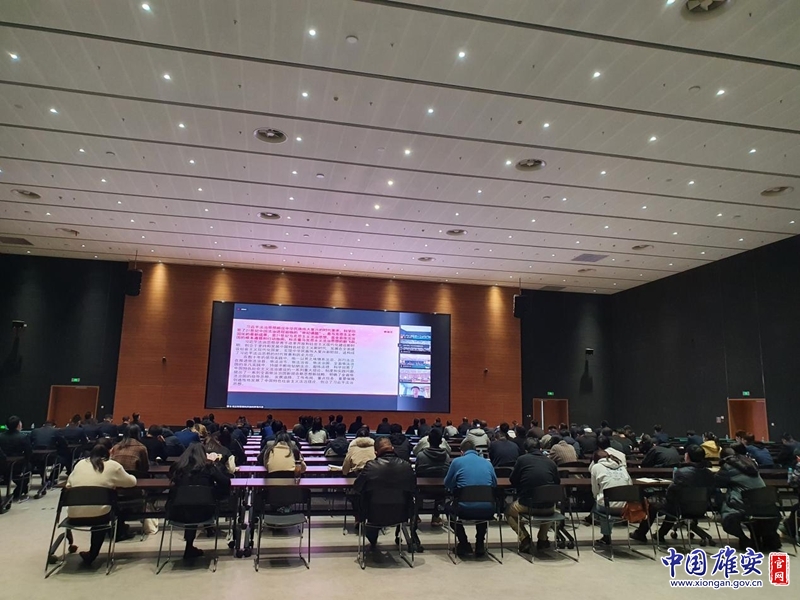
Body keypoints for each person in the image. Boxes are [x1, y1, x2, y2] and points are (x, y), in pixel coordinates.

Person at [65, 443, 137, 566]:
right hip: (100, 516)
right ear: (111, 452)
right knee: (103, 513)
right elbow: (132, 482)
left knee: (99, 509)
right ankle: (93, 553)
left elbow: (68, 485)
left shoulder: (79, 464)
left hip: (73, 517)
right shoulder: (113, 466)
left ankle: (91, 553)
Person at [630, 444, 715, 545]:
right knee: (674, 503)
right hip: (702, 508)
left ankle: (641, 533)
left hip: (681, 508)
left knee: (654, 502)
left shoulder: (681, 472)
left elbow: (671, 492)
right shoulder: (709, 473)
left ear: (687, 456)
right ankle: (660, 534)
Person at [168, 443, 231, 560]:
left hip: (177, 512)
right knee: (196, 504)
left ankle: (189, 547)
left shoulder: (177, 467)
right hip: (205, 512)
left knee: (190, 504)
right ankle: (191, 547)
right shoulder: (208, 467)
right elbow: (226, 482)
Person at [353, 437, 416, 552]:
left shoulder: (370, 466)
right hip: (401, 513)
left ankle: (372, 539)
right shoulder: (406, 466)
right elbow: (413, 488)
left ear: (376, 452)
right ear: (392, 448)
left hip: (373, 513)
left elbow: (357, 487)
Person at [716, 444, 779, 551]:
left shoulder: (728, 467)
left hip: (745, 506)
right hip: (766, 505)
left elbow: (716, 482)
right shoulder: (751, 464)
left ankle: (744, 539)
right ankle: (759, 538)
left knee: (727, 514)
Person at [443, 438, 498, 557]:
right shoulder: (487, 463)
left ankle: (464, 543)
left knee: (448, 508)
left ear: (461, 452)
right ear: (476, 451)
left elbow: (447, 483)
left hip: (464, 508)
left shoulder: (456, 462)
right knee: (481, 504)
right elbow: (494, 484)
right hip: (488, 508)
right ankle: (480, 543)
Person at [506, 437, 561, 553]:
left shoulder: (522, 460)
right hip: (549, 507)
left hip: (528, 505)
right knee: (550, 506)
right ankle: (542, 539)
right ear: (540, 449)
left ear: (526, 450)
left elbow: (513, 479)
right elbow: (557, 482)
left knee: (508, 511)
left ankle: (524, 539)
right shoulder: (551, 462)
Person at [590, 449, 633, 546]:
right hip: (625, 507)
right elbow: (630, 485)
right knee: (607, 502)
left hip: (607, 506)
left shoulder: (596, 467)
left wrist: (596, 498)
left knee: (602, 503)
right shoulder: (622, 467)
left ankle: (606, 536)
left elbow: (595, 489)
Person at [414, 428, 451, 527]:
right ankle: (436, 516)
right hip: (441, 490)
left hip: (422, 489)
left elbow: (417, 472)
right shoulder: (446, 456)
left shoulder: (421, 456)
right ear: (441, 442)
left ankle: (416, 514)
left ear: (428, 440)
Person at [0, 415, 33, 498]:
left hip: (2, 466)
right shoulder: (23, 437)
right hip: (18, 466)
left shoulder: (1, 436)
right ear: (19, 425)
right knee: (28, 467)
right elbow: (29, 452)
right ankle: (19, 491)